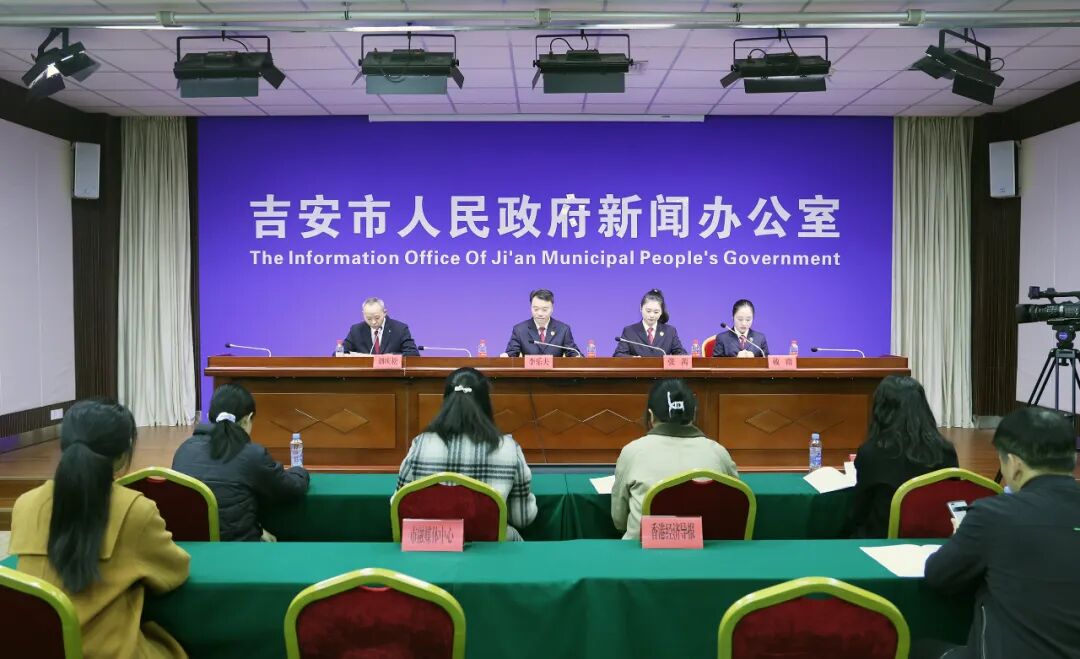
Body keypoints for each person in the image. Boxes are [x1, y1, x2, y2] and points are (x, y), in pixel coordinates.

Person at [9, 400, 190, 658]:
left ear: (64, 446)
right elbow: (174, 572)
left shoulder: (25, 505)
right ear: (122, 455)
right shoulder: (135, 510)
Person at [915, 407, 1080, 659]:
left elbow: (939, 575)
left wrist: (963, 538)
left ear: (1014, 465)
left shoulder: (993, 515)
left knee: (919, 648)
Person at [396, 367, 537, 540]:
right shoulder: (508, 448)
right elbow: (523, 518)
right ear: (486, 403)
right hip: (491, 547)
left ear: (446, 401)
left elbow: (398, 505)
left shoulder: (421, 444)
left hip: (430, 545)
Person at [172, 383, 310, 542]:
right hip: (237, 547)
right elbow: (291, 489)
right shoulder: (252, 454)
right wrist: (299, 470)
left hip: (189, 546)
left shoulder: (184, 449)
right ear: (247, 419)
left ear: (210, 416)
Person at [611, 379, 739, 540]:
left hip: (643, 551)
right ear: (694, 413)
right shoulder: (718, 453)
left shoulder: (632, 452)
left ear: (651, 415)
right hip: (707, 551)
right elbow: (735, 508)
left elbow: (619, 520)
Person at [848, 375, 959, 538]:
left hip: (882, 541)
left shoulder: (872, 453)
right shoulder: (946, 451)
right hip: (935, 538)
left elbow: (859, 511)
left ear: (882, 410)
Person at [502, 289, 581, 357]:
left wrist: (576, 356)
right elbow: (512, 353)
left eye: (544, 309)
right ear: (531, 307)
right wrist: (506, 356)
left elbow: (573, 352)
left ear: (552, 309)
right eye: (536, 309)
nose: (540, 313)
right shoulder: (520, 330)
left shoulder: (563, 329)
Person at [613, 289, 688, 357]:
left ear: (661, 311)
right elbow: (618, 354)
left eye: (656, 312)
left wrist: (670, 359)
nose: (652, 315)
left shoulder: (670, 331)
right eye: (648, 311)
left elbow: (681, 353)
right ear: (641, 308)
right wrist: (633, 359)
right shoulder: (630, 331)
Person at [341, 297, 419, 356]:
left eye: (377, 317)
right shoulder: (356, 330)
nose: (373, 322)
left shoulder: (400, 329)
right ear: (363, 314)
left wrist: (392, 356)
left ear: (385, 312)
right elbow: (339, 353)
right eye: (369, 318)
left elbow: (413, 353)